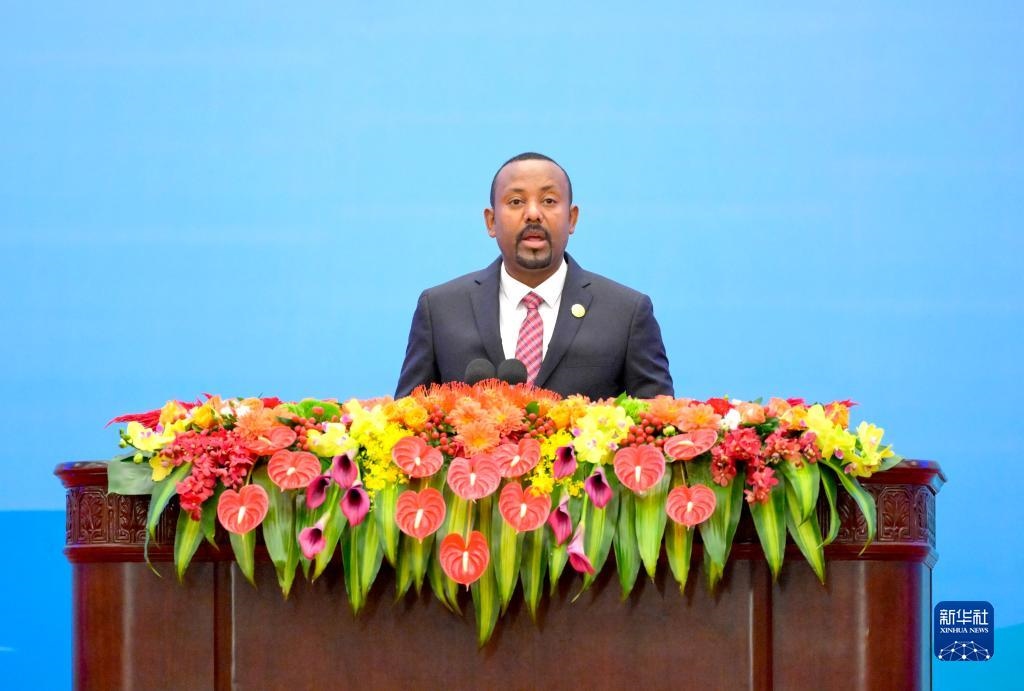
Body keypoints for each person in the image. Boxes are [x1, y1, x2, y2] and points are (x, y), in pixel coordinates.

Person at [395, 152, 673, 400]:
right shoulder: (440, 309)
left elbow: (658, 427)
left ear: (572, 218)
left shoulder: (626, 313)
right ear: (491, 221)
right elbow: (406, 424)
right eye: (516, 201)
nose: (533, 214)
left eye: (549, 201)